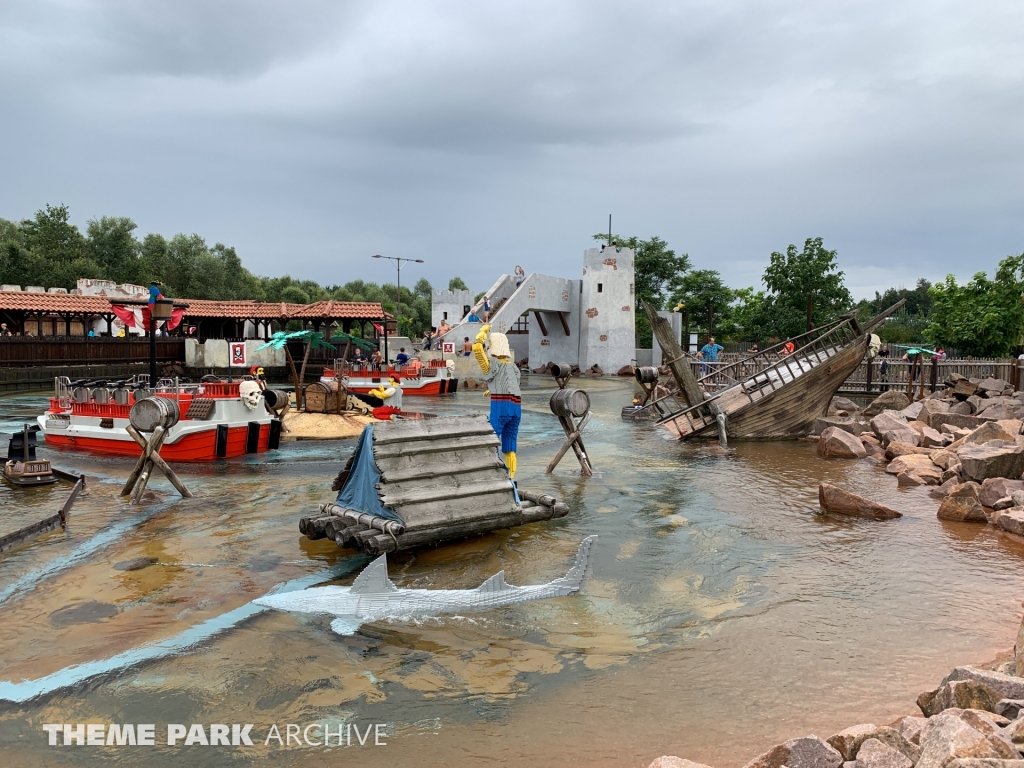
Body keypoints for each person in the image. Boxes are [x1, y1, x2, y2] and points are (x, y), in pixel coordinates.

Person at [473, 324, 521, 480]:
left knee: (492, 439)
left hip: (501, 407)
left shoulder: (493, 365)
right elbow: (513, 385)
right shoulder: (514, 368)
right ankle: (511, 477)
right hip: (516, 408)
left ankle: (491, 474)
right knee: (510, 443)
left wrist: (483, 332)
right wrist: (492, 389)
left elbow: (477, 349)